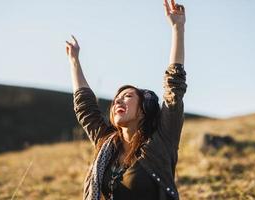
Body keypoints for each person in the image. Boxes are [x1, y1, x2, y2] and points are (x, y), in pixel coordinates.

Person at [65, 0, 187, 199]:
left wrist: (178, 28)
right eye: (116, 99)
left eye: (127, 97)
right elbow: (85, 108)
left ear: (143, 110)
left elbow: (174, 89)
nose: (117, 102)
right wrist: (74, 62)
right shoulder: (107, 144)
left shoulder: (160, 143)